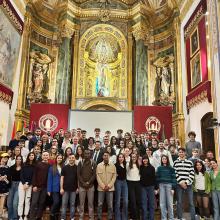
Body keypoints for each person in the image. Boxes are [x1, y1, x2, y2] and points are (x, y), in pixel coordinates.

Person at [173, 148, 196, 220]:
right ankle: (180, 217)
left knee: (191, 203)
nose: (181, 153)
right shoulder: (175, 162)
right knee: (179, 202)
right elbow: (175, 173)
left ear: (185, 153)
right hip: (179, 185)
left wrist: (186, 182)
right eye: (179, 152)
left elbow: (192, 173)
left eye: (182, 152)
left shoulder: (189, 162)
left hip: (188, 185)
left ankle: (193, 218)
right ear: (178, 153)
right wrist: (181, 182)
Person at [29, 151, 50, 219]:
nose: (45, 156)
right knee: (34, 202)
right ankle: (31, 217)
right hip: (37, 187)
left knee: (41, 203)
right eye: (44, 155)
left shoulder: (50, 166)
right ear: (42, 156)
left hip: (45, 187)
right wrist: (34, 185)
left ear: (49, 156)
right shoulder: (38, 164)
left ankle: (38, 217)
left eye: (47, 155)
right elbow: (34, 175)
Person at [96, 151, 116, 220]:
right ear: (102, 157)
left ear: (109, 156)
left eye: (107, 155)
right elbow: (97, 176)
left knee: (110, 205)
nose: (105, 157)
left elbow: (114, 176)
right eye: (104, 155)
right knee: (100, 204)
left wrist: (109, 186)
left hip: (110, 189)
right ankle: (99, 217)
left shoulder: (113, 165)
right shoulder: (99, 165)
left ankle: (110, 218)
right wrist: (103, 186)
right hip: (101, 188)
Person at [77, 150, 97, 220]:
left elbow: (94, 174)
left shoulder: (93, 163)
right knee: (81, 203)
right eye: (85, 153)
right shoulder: (80, 162)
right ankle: (81, 217)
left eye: (88, 154)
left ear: (90, 154)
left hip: (90, 186)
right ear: (83, 154)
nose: (87, 155)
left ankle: (91, 217)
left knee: (90, 203)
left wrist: (89, 182)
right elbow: (78, 174)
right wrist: (83, 183)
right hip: (82, 186)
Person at [156, 155, 176, 220]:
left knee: (170, 203)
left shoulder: (171, 168)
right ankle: (163, 218)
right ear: (161, 160)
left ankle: (171, 218)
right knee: (162, 204)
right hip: (161, 186)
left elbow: (174, 178)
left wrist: (173, 188)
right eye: (163, 159)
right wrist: (157, 188)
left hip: (169, 185)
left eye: (165, 159)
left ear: (167, 160)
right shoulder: (159, 168)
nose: (164, 160)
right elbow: (157, 178)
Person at [18, 152, 36, 220]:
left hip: (30, 185)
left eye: (33, 155)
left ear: (34, 157)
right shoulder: (24, 164)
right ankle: (20, 216)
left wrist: (28, 184)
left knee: (27, 201)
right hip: (22, 185)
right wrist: (24, 183)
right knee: (21, 201)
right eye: (30, 155)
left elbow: (34, 177)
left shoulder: (35, 165)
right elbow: (21, 174)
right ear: (28, 156)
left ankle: (25, 215)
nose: (31, 156)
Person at [60, 154, 78, 220]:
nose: (71, 159)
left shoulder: (77, 167)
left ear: (75, 159)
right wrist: (61, 188)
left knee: (72, 204)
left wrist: (78, 188)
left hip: (74, 189)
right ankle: (63, 218)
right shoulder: (64, 167)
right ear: (68, 159)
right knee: (64, 204)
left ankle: (72, 217)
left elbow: (78, 179)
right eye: (70, 158)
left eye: (73, 158)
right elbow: (62, 178)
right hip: (65, 189)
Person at [47, 154, 63, 220]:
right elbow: (49, 179)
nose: (59, 159)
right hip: (54, 188)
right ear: (56, 159)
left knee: (59, 203)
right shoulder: (52, 168)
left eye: (60, 158)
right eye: (58, 158)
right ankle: (51, 214)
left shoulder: (63, 167)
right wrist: (49, 190)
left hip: (61, 188)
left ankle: (55, 216)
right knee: (56, 202)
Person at [140, 155, 156, 220]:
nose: (145, 160)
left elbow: (154, 178)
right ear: (142, 160)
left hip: (151, 187)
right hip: (143, 187)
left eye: (146, 159)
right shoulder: (140, 167)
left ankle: (151, 218)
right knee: (144, 204)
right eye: (144, 159)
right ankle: (145, 218)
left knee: (151, 204)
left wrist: (155, 188)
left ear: (148, 160)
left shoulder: (152, 168)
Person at [7, 155, 23, 220]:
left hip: (19, 186)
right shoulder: (11, 167)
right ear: (15, 160)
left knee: (15, 203)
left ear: (21, 160)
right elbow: (8, 178)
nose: (18, 160)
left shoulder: (23, 168)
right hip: (12, 185)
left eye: (20, 159)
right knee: (9, 203)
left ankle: (15, 217)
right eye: (17, 159)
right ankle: (10, 217)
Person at [126, 153, 141, 220]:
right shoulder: (128, 165)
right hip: (130, 183)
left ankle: (137, 217)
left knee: (138, 201)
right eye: (132, 157)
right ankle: (133, 217)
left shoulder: (139, 165)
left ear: (136, 158)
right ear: (131, 158)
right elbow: (125, 173)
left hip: (138, 183)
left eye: (135, 157)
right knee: (133, 201)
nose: (134, 158)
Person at [115, 153, 128, 220]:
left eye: (122, 157)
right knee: (118, 201)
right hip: (118, 182)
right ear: (118, 158)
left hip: (125, 182)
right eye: (119, 157)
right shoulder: (115, 165)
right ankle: (118, 217)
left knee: (125, 201)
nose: (121, 158)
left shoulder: (126, 164)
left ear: (124, 158)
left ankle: (124, 217)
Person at [0, 153, 10, 219]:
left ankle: (0, 214)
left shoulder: (8, 167)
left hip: (4, 187)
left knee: (2, 202)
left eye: (6, 158)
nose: (5, 159)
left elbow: (8, 179)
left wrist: (5, 178)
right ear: (1, 158)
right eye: (4, 157)